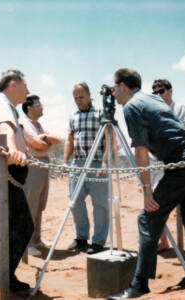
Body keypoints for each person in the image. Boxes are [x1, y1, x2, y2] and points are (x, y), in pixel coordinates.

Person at [107, 68, 185, 299]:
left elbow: (141, 151)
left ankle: (139, 285)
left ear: (123, 86)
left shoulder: (132, 106)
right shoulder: (151, 98)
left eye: (114, 88)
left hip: (181, 163)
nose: (113, 94)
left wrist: (146, 191)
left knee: (147, 217)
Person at [0, 69, 34, 292]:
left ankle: (0, 273)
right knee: (23, 226)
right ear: (13, 84)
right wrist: (13, 150)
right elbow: (4, 129)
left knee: (10, 225)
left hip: (7, 176)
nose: (28, 90)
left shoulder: (9, 107)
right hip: (4, 175)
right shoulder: (1, 105)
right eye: (25, 85)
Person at [63, 82, 109, 255]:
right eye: (75, 98)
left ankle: (98, 241)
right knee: (75, 201)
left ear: (89, 95)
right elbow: (70, 139)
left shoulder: (101, 111)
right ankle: (81, 237)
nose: (78, 101)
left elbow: (110, 139)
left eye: (81, 97)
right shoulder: (73, 114)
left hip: (97, 163)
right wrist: (65, 161)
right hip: (78, 163)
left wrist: (105, 162)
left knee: (100, 204)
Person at [150, 79, 185, 252]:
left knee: (184, 206)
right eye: (155, 92)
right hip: (156, 164)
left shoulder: (179, 109)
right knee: (155, 205)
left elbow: (182, 133)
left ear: (170, 90)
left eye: (162, 91)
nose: (159, 94)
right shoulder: (152, 112)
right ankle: (164, 241)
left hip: (176, 162)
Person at [21, 94, 61, 257]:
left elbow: (56, 140)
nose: (42, 107)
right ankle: (27, 243)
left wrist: (44, 138)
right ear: (29, 108)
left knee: (40, 205)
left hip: (44, 164)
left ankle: (36, 239)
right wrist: (44, 141)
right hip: (33, 165)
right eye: (38, 105)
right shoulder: (24, 124)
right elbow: (37, 144)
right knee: (31, 204)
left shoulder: (39, 125)